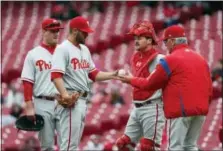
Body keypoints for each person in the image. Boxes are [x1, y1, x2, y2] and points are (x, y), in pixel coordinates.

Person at [116, 25, 212, 151]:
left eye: (166, 41)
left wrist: (130, 79)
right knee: (190, 146)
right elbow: (209, 86)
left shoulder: (170, 59)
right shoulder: (201, 59)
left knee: (175, 148)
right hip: (201, 111)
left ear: (172, 41)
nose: (165, 45)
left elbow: (150, 84)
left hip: (180, 111)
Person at [51, 16, 118, 150]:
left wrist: (114, 75)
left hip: (83, 100)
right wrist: (65, 95)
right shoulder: (62, 49)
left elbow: (93, 74)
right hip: (71, 98)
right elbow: (55, 75)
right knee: (69, 144)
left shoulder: (84, 49)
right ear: (75, 31)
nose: (87, 34)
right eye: (84, 31)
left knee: (74, 144)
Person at [115, 21, 165, 151]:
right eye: (135, 38)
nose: (136, 41)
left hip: (152, 107)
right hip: (137, 107)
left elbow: (150, 83)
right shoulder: (137, 58)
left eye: (140, 38)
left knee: (149, 147)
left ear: (149, 40)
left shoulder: (159, 59)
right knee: (123, 145)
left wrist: (130, 80)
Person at [21, 18, 63, 151]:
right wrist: (29, 105)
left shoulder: (65, 52)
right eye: (52, 31)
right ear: (44, 31)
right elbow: (27, 81)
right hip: (42, 102)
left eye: (57, 31)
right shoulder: (33, 54)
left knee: (67, 145)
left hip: (64, 102)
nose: (56, 34)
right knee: (47, 146)